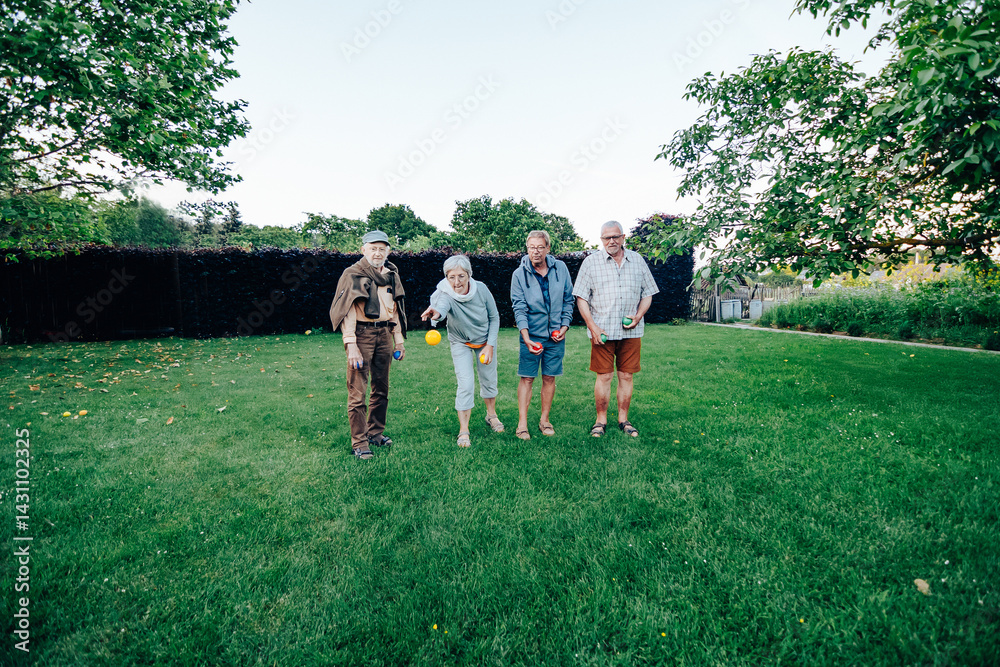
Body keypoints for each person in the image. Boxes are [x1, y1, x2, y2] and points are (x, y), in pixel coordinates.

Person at [572, 220, 659, 438]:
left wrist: (638, 316)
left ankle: (623, 419)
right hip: (603, 331)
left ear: (623, 238)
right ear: (601, 240)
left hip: (632, 332)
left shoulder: (637, 261)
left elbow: (647, 293)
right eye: (606, 237)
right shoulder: (591, 263)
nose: (611, 241)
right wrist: (592, 326)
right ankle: (600, 420)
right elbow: (581, 298)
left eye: (615, 237)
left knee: (627, 376)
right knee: (604, 377)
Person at [329, 230, 407, 460]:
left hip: (384, 333)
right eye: (373, 248)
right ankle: (359, 442)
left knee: (381, 389)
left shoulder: (392, 274)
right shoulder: (352, 274)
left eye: (382, 248)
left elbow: (396, 310)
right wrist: (350, 344)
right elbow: (347, 311)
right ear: (363, 250)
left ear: (388, 252)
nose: (378, 252)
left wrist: (399, 339)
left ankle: (375, 433)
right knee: (357, 392)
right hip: (361, 335)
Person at [420, 255, 503, 448]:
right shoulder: (445, 293)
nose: (456, 282)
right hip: (460, 342)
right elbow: (441, 306)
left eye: (461, 276)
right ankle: (464, 430)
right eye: (451, 277)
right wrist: (436, 313)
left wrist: (490, 345)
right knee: (465, 384)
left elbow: (495, 317)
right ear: (446, 278)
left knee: (489, 379)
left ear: (469, 275)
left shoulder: (481, 289)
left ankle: (491, 416)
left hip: (484, 341)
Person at [509, 230, 575, 440]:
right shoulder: (519, 274)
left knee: (549, 377)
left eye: (539, 247)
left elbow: (568, 300)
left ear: (548, 248)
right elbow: (519, 307)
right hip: (531, 336)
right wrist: (526, 337)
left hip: (556, 336)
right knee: (527, 378)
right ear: (526, 249)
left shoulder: (561, 268)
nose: (535, 252)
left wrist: (564, 327)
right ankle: (522, 424)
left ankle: (544, 420)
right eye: (531, 248)